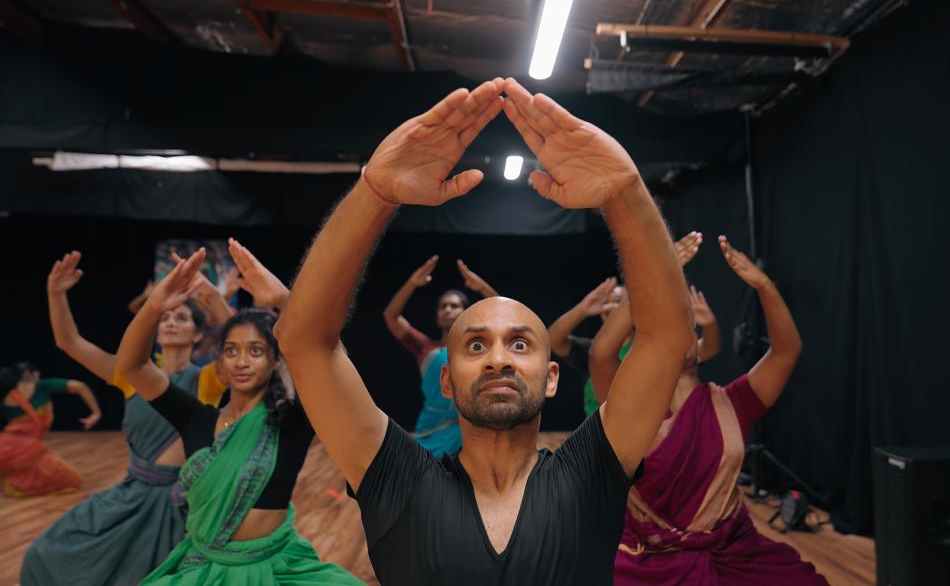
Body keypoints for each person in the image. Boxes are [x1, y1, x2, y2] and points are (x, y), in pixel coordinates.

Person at [275, 77, 695, 584]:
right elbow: (304, 342)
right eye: (477, 345)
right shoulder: (396, 478)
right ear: (447, 379)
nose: (499, 359)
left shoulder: (592, 472)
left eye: (520, 343)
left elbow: (665, 338)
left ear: (552, 377)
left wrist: (625, 195)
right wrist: (374, 194)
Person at [115, 240, 362, 585]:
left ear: (276, 360)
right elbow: (133, 365)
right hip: (203, 568)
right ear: (220, 359)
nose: (242, 361)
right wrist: (155, 304)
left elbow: (332, 365)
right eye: (231, 350)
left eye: (256, 350)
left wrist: (283, 300)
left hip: (277, 567)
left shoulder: (290, 422)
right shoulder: (195, 418)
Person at [600, 235, 827, 585]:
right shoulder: (632, 407)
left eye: (686, 324)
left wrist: (764, 286)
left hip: (732, 550)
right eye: (665, 322)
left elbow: (786, 351)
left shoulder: (733, 403)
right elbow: (600, 353)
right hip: (648, 558)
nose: (679, 329)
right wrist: (653, 277)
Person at [21, 251, 229, 586]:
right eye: (165, 318)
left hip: (183, 504)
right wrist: (55, 294)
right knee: (44, 555)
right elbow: (68, 342)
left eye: (182, 318)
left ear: (196, 335)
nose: (172, 322)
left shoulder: (208, 379)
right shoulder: (131, 374)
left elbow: (235, 336)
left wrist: (211, 295)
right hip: (132, 496)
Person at [548, 231, 714, 416]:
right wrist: (583, 308)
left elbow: (706, 350)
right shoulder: (591, 351)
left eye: (622, 302)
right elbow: (553, 339)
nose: (613, 307)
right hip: (600, 439)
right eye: (609, 301)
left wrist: (710, 326)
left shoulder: (650, 347)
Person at [383, 255, 498, 456]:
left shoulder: (481, 348)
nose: (448, 310)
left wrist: (482, 288)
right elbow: (391, 316)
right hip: (430, 434)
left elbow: (503, 314)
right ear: (437, 315)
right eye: (443, 306)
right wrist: (412, 283)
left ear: (465, 312)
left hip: (471, 433)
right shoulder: (425, 348)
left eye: (454, 306)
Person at [0, 362, 100, 496]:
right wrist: (96, 413)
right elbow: (80, 386)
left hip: (5, 446)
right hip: (28, 448)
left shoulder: (6, 397)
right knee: (72, 480)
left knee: (28, 468)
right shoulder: (42, 386)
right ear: (34, 374)